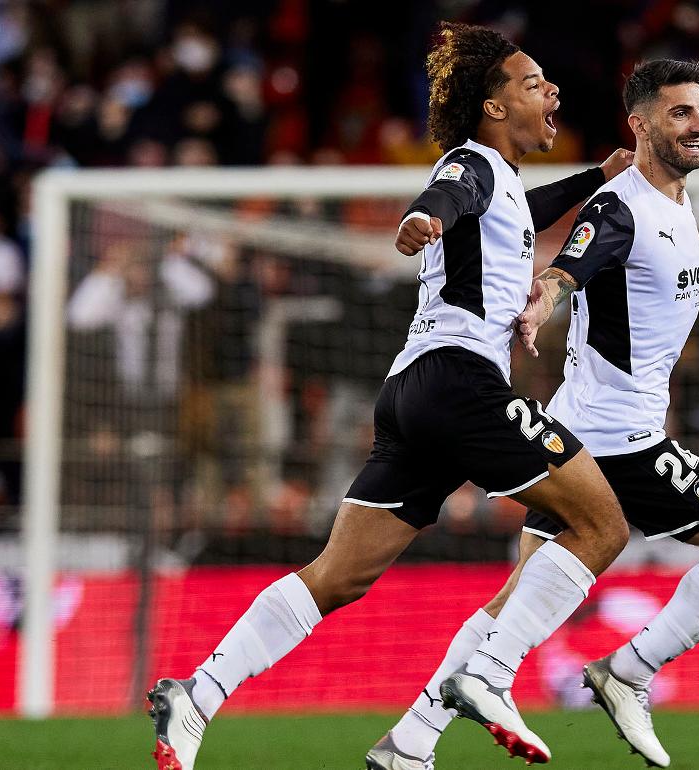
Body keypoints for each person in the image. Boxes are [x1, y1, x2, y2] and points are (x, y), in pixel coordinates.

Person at [148, 22, 635, 770]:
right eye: (534, 83)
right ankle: (487, 675)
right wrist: (424, 217)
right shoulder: (471, 164)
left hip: (412, 391)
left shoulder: (501, 180)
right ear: (493, 107)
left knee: (338, 575)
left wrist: (596, 178)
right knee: (602, 525)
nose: (553, 91)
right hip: (461, 381)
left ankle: (201, 694)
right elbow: (451, 187)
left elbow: (517, 212)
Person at [370, 60, 699, 770]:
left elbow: (679, 258)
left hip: (578, 430)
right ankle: (624, 671)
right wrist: (544, 298)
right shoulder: (618, 206)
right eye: (679, 113)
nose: (697, 125)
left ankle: (411, 740)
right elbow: (572, 265)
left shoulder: (674, 203)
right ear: (640, 125)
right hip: (620, 440)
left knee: (514, 600)